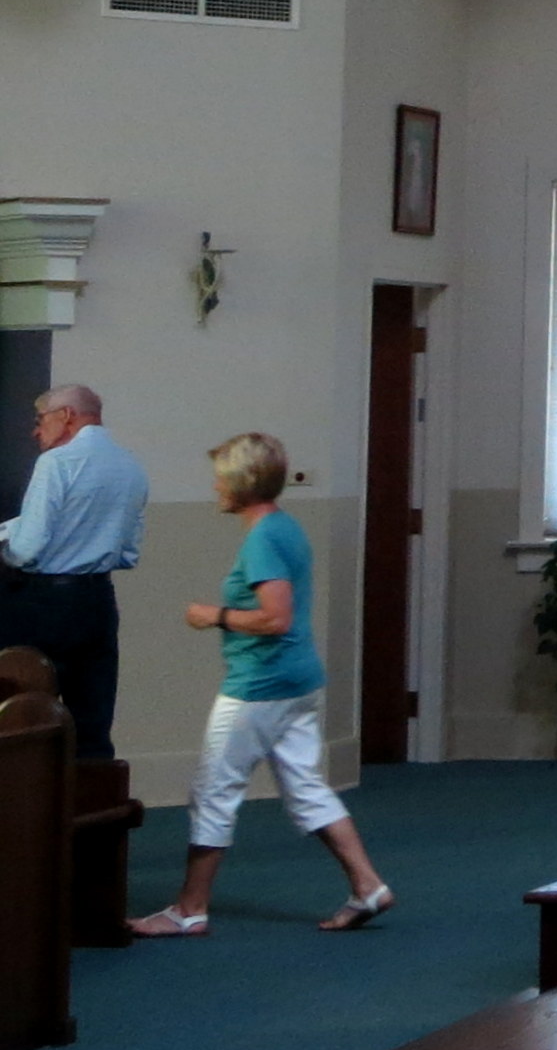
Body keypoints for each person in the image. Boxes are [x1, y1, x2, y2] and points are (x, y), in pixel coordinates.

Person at [127, 432, 394, 938]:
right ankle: (368, 886)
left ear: (242, 484)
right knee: (307, 787)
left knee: (213, 790)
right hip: (298, 682)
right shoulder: (285, 528)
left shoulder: (264, 539)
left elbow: (275, 619)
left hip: (260, 687)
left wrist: (214, 615)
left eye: (221, 478)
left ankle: (189, 909)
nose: (214, 487)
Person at [0, 382, 151, 760]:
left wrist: (7, 542)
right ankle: (93, 813)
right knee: (92, 725)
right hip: (97, 602)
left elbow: (28, 547)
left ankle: (28, 814)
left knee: (24, 718)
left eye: (40, 419)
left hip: (41, 605)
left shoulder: (56, 463)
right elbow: (129, 551)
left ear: (66, 416)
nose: (36, 431)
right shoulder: (130, 465)